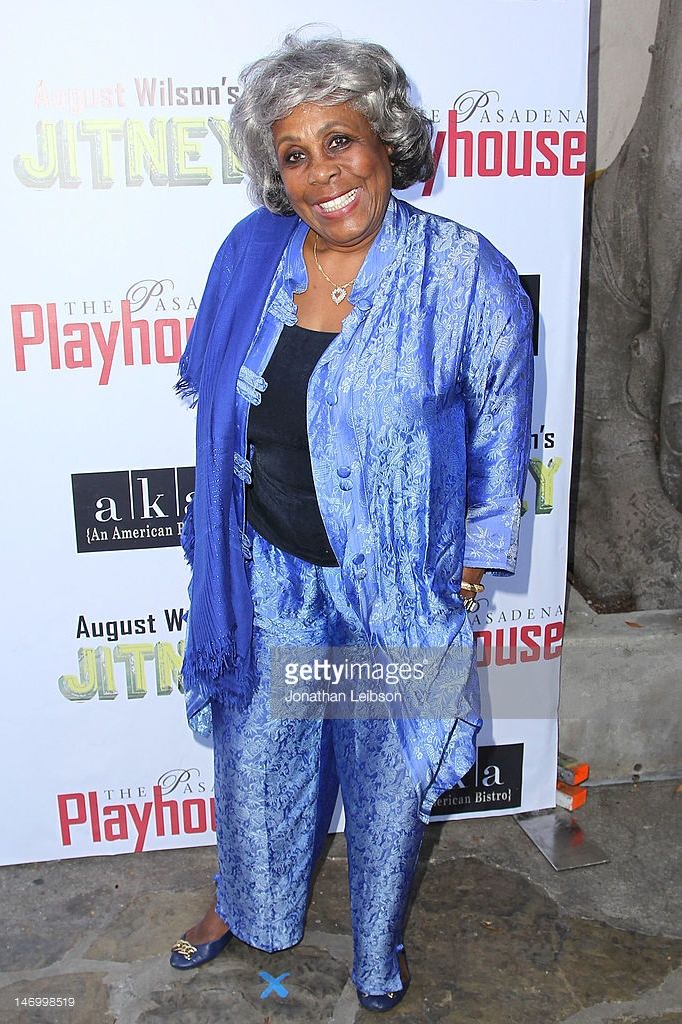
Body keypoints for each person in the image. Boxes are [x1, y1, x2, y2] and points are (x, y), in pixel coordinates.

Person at [169, 32, 534, 1012]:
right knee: (256, 771)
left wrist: (472, 562)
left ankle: (377, 950)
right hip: (269, 574)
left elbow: (501, 432)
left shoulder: (461, 272)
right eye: (294, 154)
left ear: (383, 140)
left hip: (390, 591)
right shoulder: (252, 256)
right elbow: (219, 403)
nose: (321, 173)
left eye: (339, 141)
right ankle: (244, 907)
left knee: (381, 782)